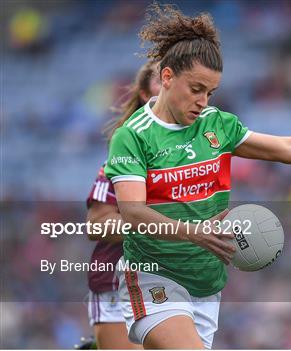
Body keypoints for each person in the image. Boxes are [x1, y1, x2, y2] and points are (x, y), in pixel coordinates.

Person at [104, 3, 291, 349]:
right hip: (154, 278)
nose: (203, 101)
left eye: (210, 92)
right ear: (166, 78)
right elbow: (132, 212)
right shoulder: (133, 135)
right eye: (196, 89)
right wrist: (195, 234)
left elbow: (289, 148)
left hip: (206, 286)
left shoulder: (217, 125)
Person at [86, 61, 160, 349]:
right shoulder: (125, 153)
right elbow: (97, 224)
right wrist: (168, 225)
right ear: (144, 94)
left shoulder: (201, 152)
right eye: (162, 81)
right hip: (118, 279)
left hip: (178, 280)